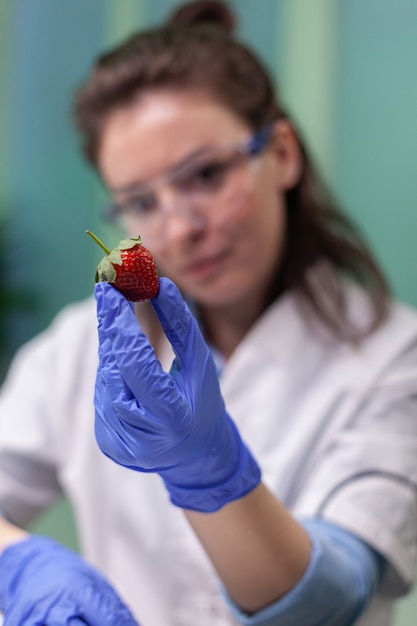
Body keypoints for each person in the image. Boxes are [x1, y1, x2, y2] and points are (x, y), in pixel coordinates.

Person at [0, 1, 416, 624]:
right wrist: (22, 567)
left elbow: (336, 594)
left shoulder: (394, 356)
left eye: (206, 175)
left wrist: (210, 475)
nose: (181, 227)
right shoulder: (75, 351)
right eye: (141, 201)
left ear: (280, 153)